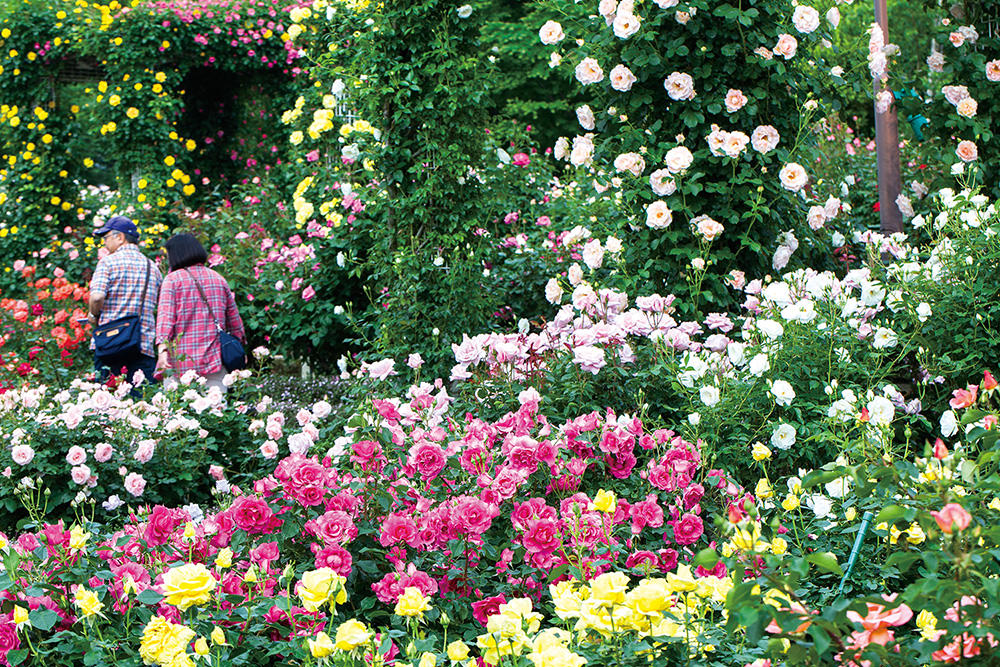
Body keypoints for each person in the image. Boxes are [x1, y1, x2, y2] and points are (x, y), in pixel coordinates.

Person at [155, 233, 245, 391]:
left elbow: (166, 320)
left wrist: (162, 352)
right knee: (215, 410)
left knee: (179, 412)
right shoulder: (218, 279)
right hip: (214, 361)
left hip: (180, 362)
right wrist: (239, 348)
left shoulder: (172, 280)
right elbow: (235, 322)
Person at [89, 215, 163, 387]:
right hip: (141, 343)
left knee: (107, 404)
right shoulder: (152, 267)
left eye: (106, 238)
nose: (105, 244)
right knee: (142, 404)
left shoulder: (108, 262)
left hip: (109, 344)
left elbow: (97, 296)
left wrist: (93, 315)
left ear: (120, 237)